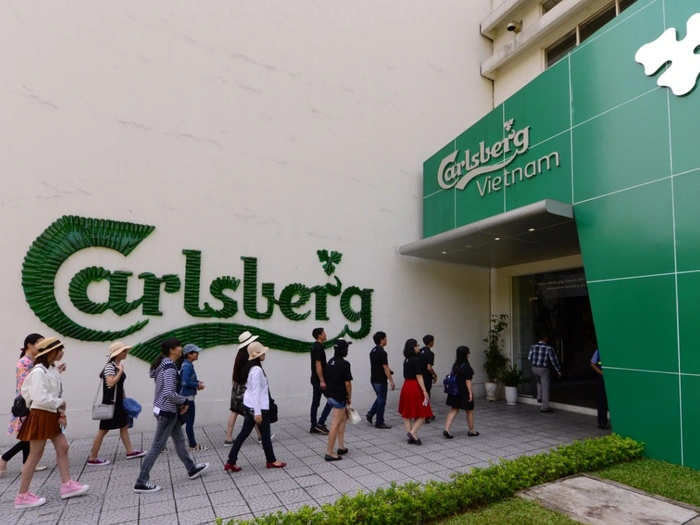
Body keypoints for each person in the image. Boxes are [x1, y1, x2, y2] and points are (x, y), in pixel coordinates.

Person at [15, 337, 89, 509]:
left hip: (50, 414)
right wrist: (60, 404)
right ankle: (22, 496)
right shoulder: (39, 371)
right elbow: (39, 398)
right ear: (50, 352)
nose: (62, 353)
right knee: (35, 455)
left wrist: (61, 412)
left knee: (62, 447)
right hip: (40, 415)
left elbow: (55, 394)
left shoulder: (51, 369)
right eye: (59, 350)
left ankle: (67, 485)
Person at [134, 337, 209, 493]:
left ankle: (191, 468)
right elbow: (169, 392)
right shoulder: (169, 368)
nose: (181, 348)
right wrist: (184, 401)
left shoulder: (163, 364)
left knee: (180, 441)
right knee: (156, 447)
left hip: (167, 409)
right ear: (172, 350)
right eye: (179, 346)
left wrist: (180, 403)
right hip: (166, 412)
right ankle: (141, 481)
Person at [224, 341, 286, 472]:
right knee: (265, 435)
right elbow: (256, 392)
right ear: (256, 354)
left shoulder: (250, 367)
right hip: (258, 408)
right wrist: (257, 412)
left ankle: (231, 461)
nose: (265, 354)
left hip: (250, 406)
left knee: (244, 434)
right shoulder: (257, 370)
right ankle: (271, 460)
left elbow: (250, 389)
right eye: (262, 352)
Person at [87, 342, 146, 466]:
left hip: (117, 402)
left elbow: (119, 386)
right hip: (111, 403)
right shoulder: (110, 366)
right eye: (124, 351)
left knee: (124, 425)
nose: (126, 353)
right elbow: (111, 383)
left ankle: (130, 451)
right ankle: (92, 458)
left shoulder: (116, 365)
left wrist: (124, 399)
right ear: (117, 353)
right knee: (103, 430)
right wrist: (120, 372)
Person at [1, 334, 49, 477]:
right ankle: (4, 458)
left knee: (28, 435)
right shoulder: (24, 362)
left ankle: (26, 464)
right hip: (27, 402)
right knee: (30, 435)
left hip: (32, 401)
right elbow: (27, 384)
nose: (42, 346)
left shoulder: (33, 361)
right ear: (29, 345)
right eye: (40, 343)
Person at [225, 331, 268, 446]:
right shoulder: (248, 356)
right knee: (252, 411)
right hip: (245, 387)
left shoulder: (240, 355)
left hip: (236, 386)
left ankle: (228, 437)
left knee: (234, 411)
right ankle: (261, 436)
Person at [398, 339, 433, 445]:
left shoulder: (406, 360)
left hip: (406, 385)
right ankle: (413, 433)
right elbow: (419, 375)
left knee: (407, 412)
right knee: (423, 411)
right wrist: (424, 390)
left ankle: (411, 436)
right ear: (413, 347)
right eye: (417, 345)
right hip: (414, 386)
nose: (418, 347)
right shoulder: (416, 359)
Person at [324, 339, 353, 461]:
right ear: (344, 350)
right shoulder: (345, 364)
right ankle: (329, 452)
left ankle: (341, 447)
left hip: (329, 396)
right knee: (335, 424)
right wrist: (349, 397)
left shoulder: (330, 362)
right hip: (339, 397)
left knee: (343, 419)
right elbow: (347, 384)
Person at [443, 346, 479, 438]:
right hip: (464, 390)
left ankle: (446, 429)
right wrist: (470, 393)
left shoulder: (455, 364)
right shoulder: (466, 366)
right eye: (468, 352)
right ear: (465, 354)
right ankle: (471, 431)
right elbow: (468, 381)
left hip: (454, 390)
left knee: (454, 410)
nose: (469, 354)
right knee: (469, 410)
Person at [179, 344, 208, 451]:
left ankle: (161, 443)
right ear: (189, 354)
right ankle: (193, 445)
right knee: (189, 421)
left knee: (178, 422)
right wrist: (196, 385)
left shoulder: (187, 365)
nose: (197, 354)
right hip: (188, 398)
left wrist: (197, 382)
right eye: (195, 352)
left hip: (185, 396)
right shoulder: (187, 366)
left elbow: (186, 380)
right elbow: (185, 382)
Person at [366, 331, 394, 429]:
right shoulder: (382, 352)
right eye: (385, 338)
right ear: (382, 340)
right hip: (380, 380)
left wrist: (390, 371)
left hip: (374, 379)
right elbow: (385, 367)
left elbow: (379, 365)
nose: (386, 340)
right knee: (382, 401)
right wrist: (391, 381)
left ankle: (370, 414)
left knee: (379, 398)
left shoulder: (373, 351)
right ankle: (379, 422)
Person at [527, 332, 561, 413]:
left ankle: (539, 397)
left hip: (534, 368)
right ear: (545, 338)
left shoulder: (533, 346)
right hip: (544, 369)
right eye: (547, 337)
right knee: (545, 387)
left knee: (538, 382)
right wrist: (558, 370)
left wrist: (536, 362)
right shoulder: (549, 348)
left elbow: (529, 358)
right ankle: (544, 407)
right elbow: (554, 360)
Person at [309, 327, 331, 435]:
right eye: (324, 333)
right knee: (332, 400)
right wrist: (322, 380)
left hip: (315, 379)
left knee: (315, 402)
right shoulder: (318, 348)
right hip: (319, 380)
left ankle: (314, 426)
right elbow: (318, 364)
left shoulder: (316, 346)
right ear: (319, 335)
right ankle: (320, 423)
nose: (325, 334)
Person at [419, 335, 438, 423]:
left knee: (420, 395)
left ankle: (424, 413)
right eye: (433, 341)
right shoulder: (430, 353)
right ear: (430, 342)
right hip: (426, 377)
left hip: (419, 376)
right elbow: (429, 367)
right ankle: (425, 415)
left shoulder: (419, 351)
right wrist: (434, 375)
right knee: (426, 395)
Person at [591, 349, 609, 429]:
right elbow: (592, 364)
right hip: (603, 378)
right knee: (602, 400)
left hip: (612, 378)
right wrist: (601, 372)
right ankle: (602, 422)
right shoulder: (598, 351)